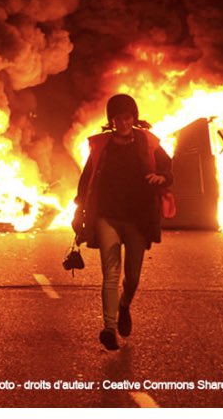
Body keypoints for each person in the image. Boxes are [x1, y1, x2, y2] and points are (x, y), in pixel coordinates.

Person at [71, 94, 173, 351]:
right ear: (111, 120)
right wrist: (78, 212)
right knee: (110, 273)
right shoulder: (101, 145)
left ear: (134, 118)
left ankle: (124, 305)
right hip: (108, 217)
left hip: (138, 219)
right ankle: (108, 328)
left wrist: (160, 177)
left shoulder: (148, 142)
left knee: (133, 277)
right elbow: (86, 182)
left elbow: (167, 169)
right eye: (118, 118)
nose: (123, 122)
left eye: (127, 117)